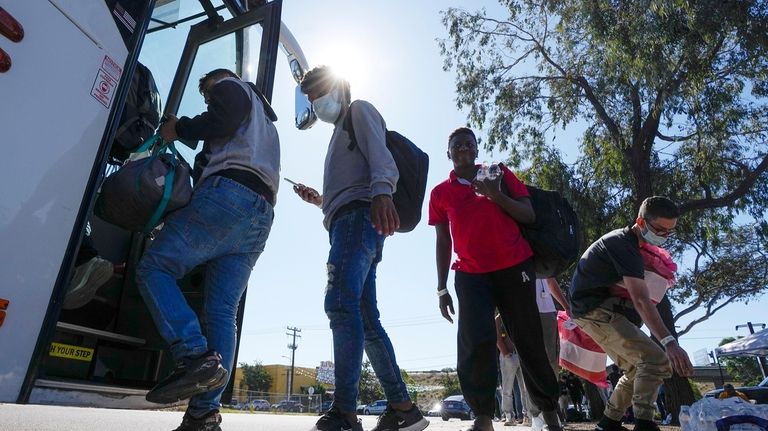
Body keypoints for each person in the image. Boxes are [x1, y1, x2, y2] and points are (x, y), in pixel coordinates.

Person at [136, 68, 279, 431]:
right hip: (260, 217)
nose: (208, 99)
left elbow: (221, 117)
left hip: (229, 195)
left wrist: (176, 129)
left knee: (155, 267)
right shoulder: (266, 126)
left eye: (207, 93)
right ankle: (204, 414)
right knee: (221, 311)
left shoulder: (233, 87)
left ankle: (194, 354)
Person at [292, 66, 427, 431]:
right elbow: (348, 186)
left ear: (339, 88)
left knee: (339, 303)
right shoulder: (337, 133)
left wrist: (382, 192)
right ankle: (403, 409)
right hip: (347, 222)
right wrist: (319, 200)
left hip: (358, 220)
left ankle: (346, 413)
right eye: (310, 98)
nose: (316, 102)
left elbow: (381, 158)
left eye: (319, 92)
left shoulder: (359, 111)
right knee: (366, 319)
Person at [430, 127, 562, 431]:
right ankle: (483, 417)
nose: (463, 148)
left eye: (469, 144)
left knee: (528, 339)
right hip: (470, 275)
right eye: (456, 145)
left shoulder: (498, 173)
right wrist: (441, 288)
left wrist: (495, 195)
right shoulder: (440, 193)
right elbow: (442, 242)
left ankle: (549, 412)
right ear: (448, 153)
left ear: (477, 150)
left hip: (515, 267)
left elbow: (528, 215)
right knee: (475, 343)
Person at [567, 196, 694, 431]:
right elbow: (641, 299)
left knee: (637, 368)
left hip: (595, 309)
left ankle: (609, 422)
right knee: (657, 360)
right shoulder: (622, 244)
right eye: (659, 229)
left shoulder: (631, 245)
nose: (664, 237)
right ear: (640, 221)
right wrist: (669, 341)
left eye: (669, 232)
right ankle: (644, 422)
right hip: (595, 310)